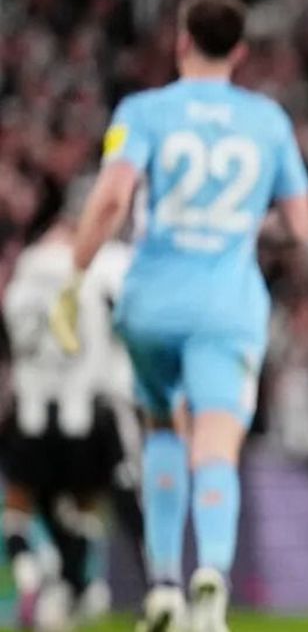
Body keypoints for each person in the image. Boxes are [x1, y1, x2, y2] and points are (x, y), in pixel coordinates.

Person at [50, 0, 308, 632]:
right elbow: (301, 226)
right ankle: (212, 583)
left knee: (163, 433)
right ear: (240, 52)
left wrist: (75, 276)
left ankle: (165, 585)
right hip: (226, 308)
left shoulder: (143, 110)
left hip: (151, 305)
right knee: (216, 443)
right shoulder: (267, 120)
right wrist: (248, 228)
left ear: (181, 42)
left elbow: (111, 198)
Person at [1, 217, 137, 630]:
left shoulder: (20, 289)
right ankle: (76, 583)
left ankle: (34, 572)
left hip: (31, 416)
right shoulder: (87, 283)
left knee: (21, 508)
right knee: (81, 509)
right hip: (81, 419)